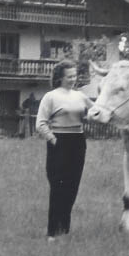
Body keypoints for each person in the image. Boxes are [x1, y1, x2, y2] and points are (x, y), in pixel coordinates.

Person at [36, 60, 93, 241]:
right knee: (58, 187)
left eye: (74, 76)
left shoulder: (80, 96)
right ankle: (52, 232)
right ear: (60, 77)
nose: (73, 79)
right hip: (59, 142)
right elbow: (40, 123)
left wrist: (94, 115)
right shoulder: (50, 97)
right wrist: (53, 140)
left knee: (72, 187)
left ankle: (64, 230)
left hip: (78, 142)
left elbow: (96, 112)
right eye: (69, 76)